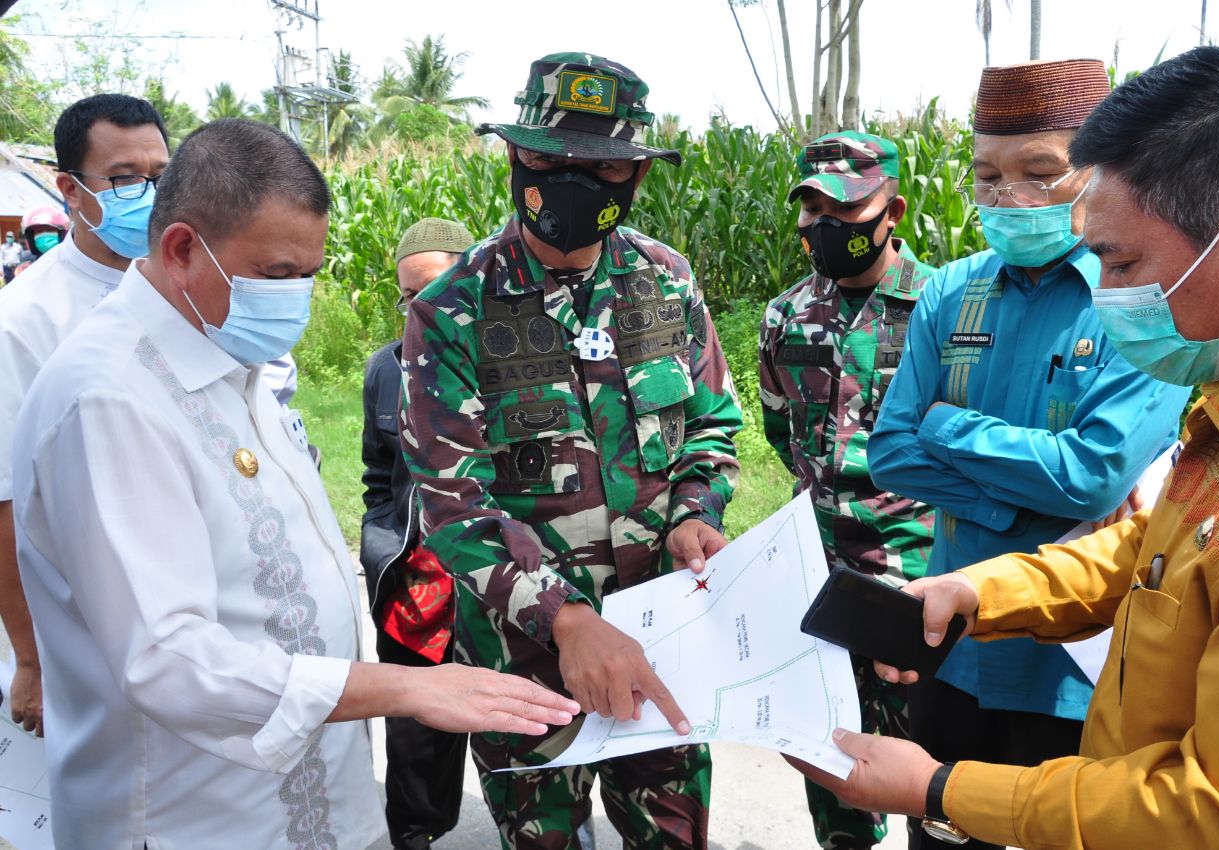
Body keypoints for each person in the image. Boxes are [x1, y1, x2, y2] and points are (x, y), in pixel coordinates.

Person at [12, 118, 577, 850]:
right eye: (278, 275)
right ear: (183, 249)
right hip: (193, 818)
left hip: (301, 803)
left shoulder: (222, 353)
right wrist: (407, 687)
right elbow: (169, 658)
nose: (297, 301)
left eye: (309, 275)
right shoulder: (110, 399)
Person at [794, 37, 1219, 849]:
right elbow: (1141, 550)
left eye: (1120, 263)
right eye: (988, 176)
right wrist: (981, 591)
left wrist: (941, 790)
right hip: (974, 667)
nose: (1110, 295)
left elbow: (1218, 814)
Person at [400, 53, 743, 850]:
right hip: (524, 663)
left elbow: (713, 425)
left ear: (634, 177)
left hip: (660, 641)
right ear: (516, 156)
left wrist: (697, 510)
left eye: (602, 166)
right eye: (550, 161)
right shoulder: (454, 309)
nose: (574, 182)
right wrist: (566, 618)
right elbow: (454, 504)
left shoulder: (666, 281)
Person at [865, 59, 1192, 850]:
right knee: (939, 833)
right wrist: (1019, 498)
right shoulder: (951, 292)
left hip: (1073, 674)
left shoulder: (1136, 301)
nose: (1010, 197)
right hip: (957, 652)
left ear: (1096, 171)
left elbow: (1096, 473)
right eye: (987, 176)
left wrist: (949, 427)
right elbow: (889, 453)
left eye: (1040, 173)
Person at [759, 131, 935, 850]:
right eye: (813, 210)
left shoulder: (942, 308)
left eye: (846, 211)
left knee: (930, 777)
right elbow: (780, 431)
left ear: (891, 211)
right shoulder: (787, 315)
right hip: (822, 572)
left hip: (915, 574)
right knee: (834, 764)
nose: (827, 228)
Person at [0, 94, 169, 739]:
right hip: (86, 616)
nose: (149, 193)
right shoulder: (26, 322)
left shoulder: (191, 291)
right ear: (70, 189)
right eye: (124, 179)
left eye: (160, 176)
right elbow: (7, 505)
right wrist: (30, 657)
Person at [362, 216, 474, 850]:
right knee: (416, 727)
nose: (423, 307)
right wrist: (381, 547)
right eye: (410, 296)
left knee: (522, 718)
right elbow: (379, 474)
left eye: (439, 286)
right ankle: (415, 833)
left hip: (503, 583)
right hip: (418, 583)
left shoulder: (520, 360)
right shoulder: (386, 368)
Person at [13, 205, 71, 277]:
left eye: (50, 230)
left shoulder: (74, 265)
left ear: (62, 234)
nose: (44, 234)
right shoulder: (26, 269)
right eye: (39, 231)